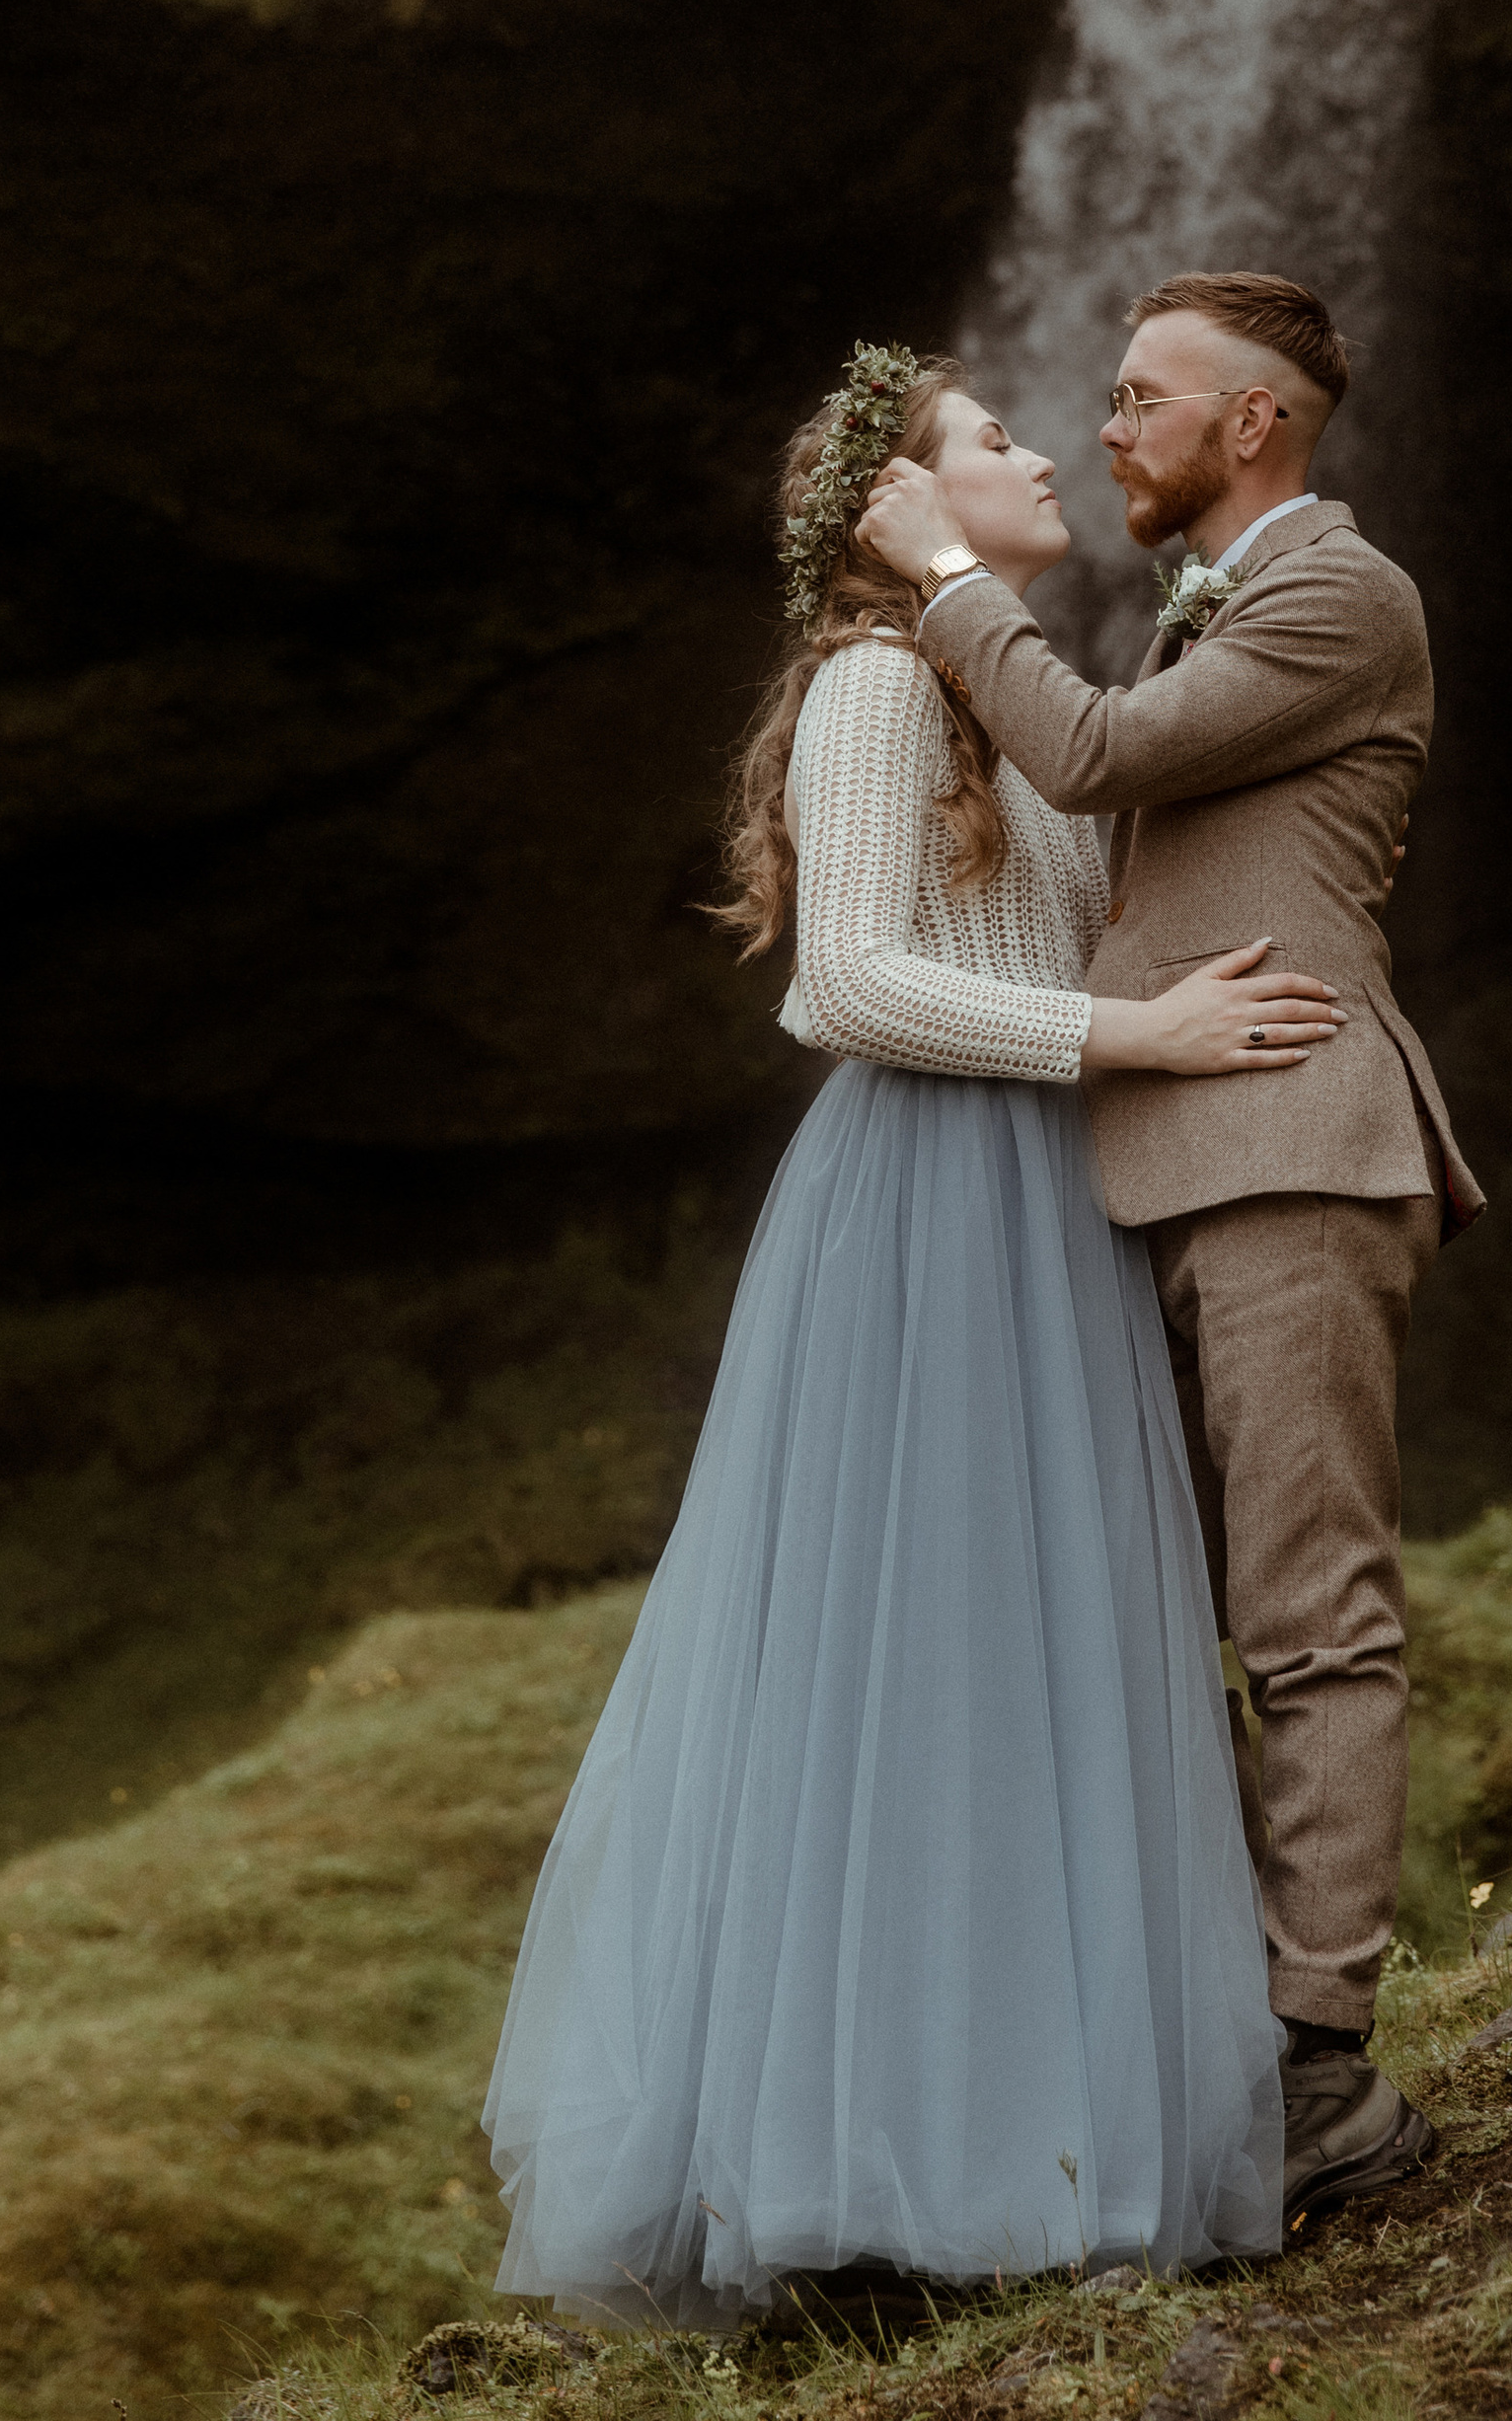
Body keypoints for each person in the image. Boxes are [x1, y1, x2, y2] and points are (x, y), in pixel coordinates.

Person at [483, 342, 1346, 2330]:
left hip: (1041, 1206)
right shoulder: (879, 690)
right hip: (930, 1211)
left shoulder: (1008, 705)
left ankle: (1016, 2142)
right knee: (908, 1675)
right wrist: (1139, 1034)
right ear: (898, 506)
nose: (1045, 448)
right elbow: (849, 987)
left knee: (1025, 1670)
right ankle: (852, 2190)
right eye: (988, 439)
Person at [858, 271, 1487, 2228]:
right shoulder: (1210, 597)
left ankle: (1316, 2077)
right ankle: (1173, 2032)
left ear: (1255, 430)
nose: (1105, 423)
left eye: (1144, 398)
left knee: (1310, 1620)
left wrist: (942, 570)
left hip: (1287, 1145)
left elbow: (1099, 756)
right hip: (1147, 1166)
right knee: (1144, 1625)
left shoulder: (1337, 593)